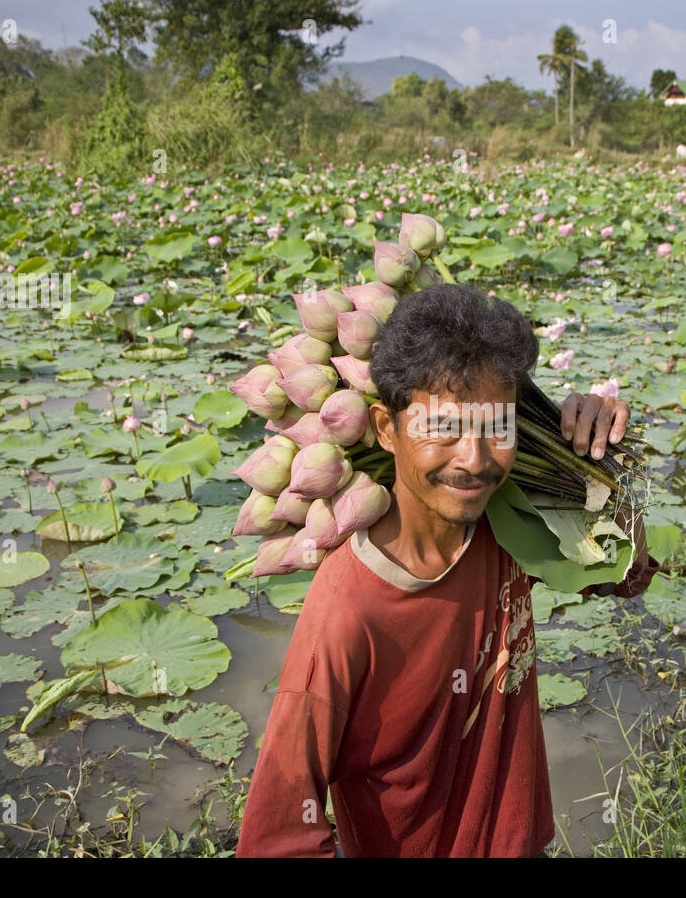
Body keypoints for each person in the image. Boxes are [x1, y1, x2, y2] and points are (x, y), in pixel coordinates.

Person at [234, 284, 659, 858]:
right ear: (385, 429)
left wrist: (597, 457)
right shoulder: (346, 612)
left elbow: (631, 577)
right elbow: (274, 838)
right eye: (441, 428)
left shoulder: (508, 530)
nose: (475, 460)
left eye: (496, 427)